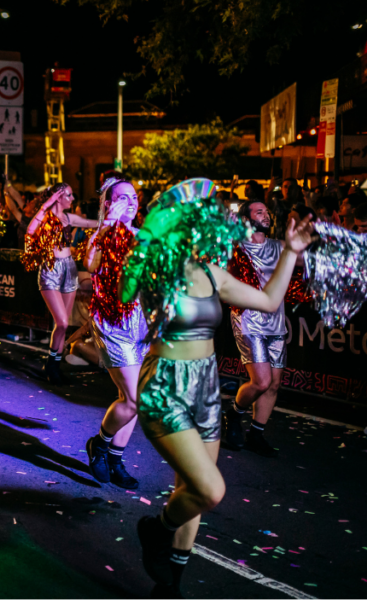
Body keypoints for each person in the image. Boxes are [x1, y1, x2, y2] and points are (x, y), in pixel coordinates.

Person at [126, 178, 313, 595]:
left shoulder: (210, 272)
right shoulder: (155, 265)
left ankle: (169, 583)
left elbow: (267, 300)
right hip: (166, 387)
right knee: (210, 490)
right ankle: (155, 529)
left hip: (207, 388)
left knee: (190, 488)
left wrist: (292, 252)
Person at [223, 200, 305, 456]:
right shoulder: (235, 248)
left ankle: (256, 434)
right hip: (249, 321)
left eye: (267, 212)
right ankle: (234, 413)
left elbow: (305, 261)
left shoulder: (279, 246)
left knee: (274, 385)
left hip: (276, 322)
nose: (266, 215)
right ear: (247, 219)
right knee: (261, 381)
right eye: (260, 212)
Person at [84, 174, 147, 488]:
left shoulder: (143, 235)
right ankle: (100, 442)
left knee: (134, 397)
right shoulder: (100, 235)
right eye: (123, 197)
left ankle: (115, 458)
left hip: (141, 321)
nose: (131, 202)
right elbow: (92, 264)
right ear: (108, 203)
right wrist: (109, 223)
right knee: (133, 398)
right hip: (111, 322)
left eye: (134, 197)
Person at [25, 183, 99, 383]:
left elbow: (94, 224)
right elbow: (30, 231)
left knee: (63, 326)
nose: (73, 199)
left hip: (69, 269)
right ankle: (51, 364)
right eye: (69, 195)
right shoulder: (45, 219)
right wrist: (46, 205)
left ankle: (53, 365)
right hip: (50, 270)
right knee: (62, 322)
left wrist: (114, 214)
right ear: (58, 197)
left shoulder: (69, 218)